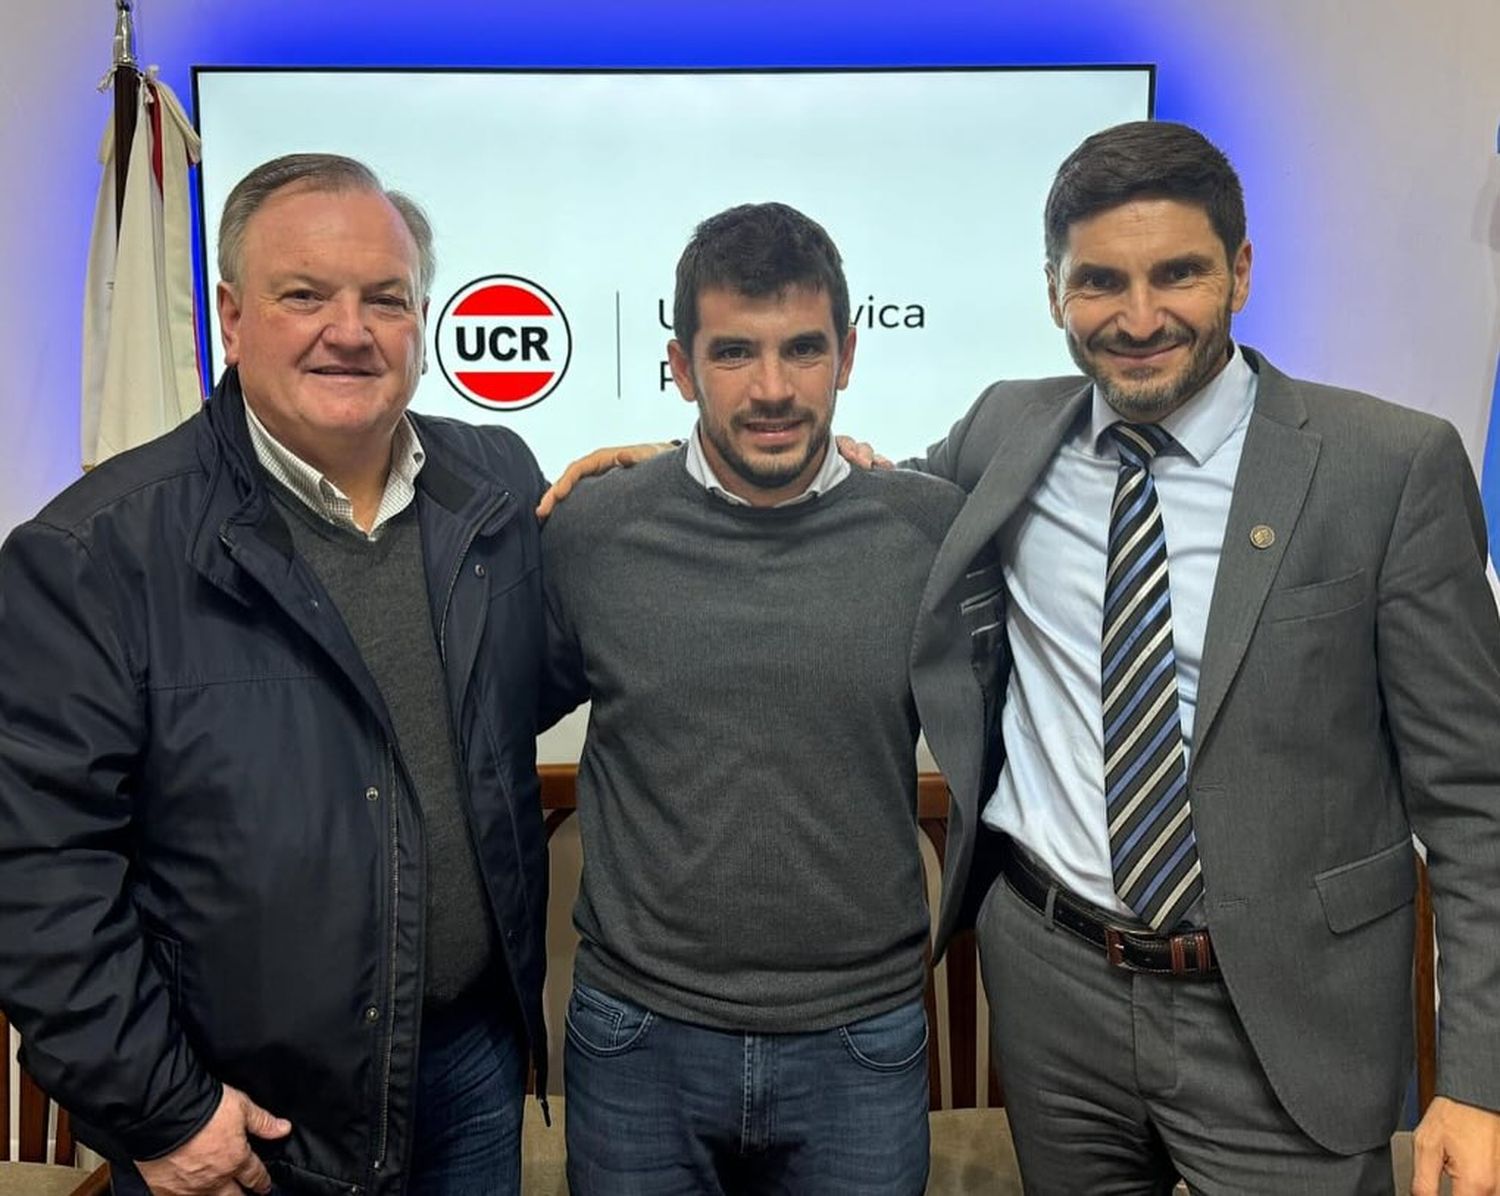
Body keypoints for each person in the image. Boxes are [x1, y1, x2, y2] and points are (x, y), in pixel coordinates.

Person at [899, 120, 1500, 1194]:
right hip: (1051, 988)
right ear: (1053, 292)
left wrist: (1483, 1077)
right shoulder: (1005, 430)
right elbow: (853, 508)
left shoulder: (1390, 466)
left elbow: (1477, 799)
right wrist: (669, 466)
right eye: (1099, 282)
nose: (1138, 318)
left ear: (1242, 270)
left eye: (1176, 273)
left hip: (1287, 1016)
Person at [0, 154, 550, 1196]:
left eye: (385, 298)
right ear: (233, 316)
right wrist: (163, 1108)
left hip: (468, 1075)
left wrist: (661, 488)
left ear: (420, 323)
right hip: (247, 1120)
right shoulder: (95, 552)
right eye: (306, 294)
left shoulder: (493, 488)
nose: (351, 328)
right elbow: (37, 872)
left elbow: (530, 680)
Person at [539, 202, 964, 1195]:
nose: (773, 389)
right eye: (734, 353)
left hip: (861, 1036)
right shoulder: (592, 530)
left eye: (802, 350)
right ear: (681, 366)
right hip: (637, 1036)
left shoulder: (927, 530)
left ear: (847, 355)